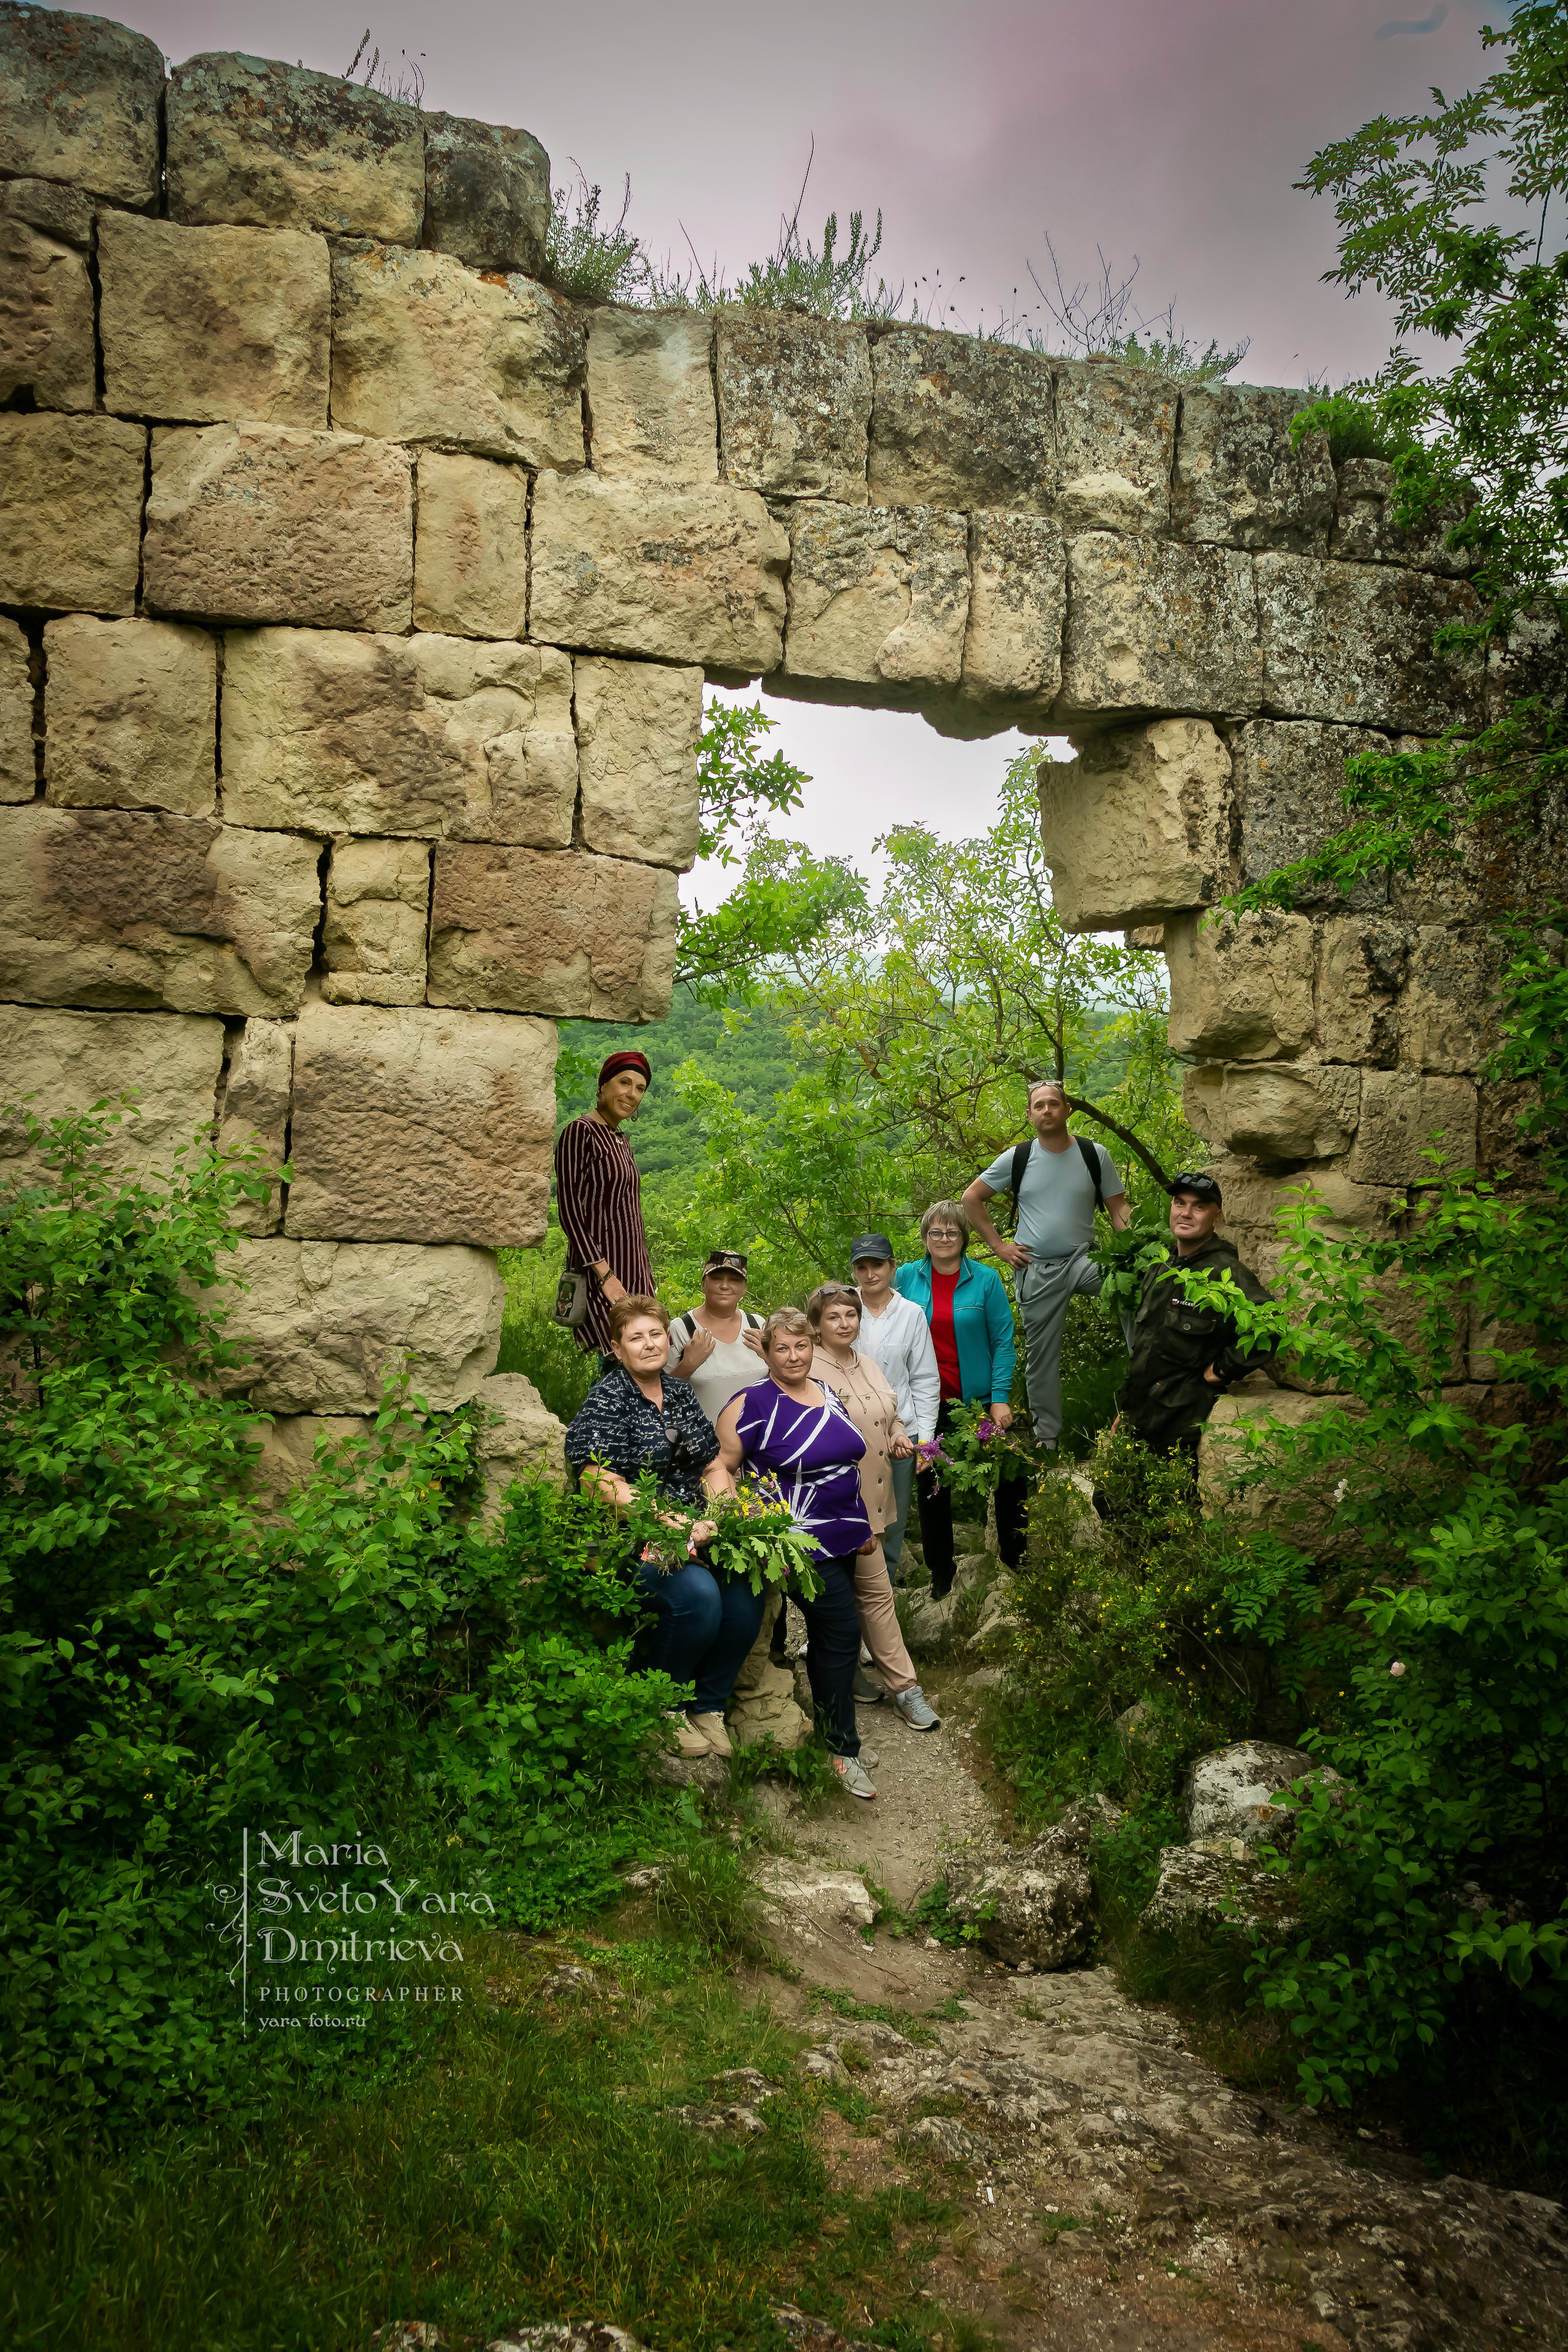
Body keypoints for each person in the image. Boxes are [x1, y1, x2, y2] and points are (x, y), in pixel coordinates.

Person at [564, 1294, 755, 1762]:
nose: (649, 1345)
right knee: (697, 1594)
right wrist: (668, 1521)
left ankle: (709, 1705)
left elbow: (712, 1462)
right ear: (616, 1347)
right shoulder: (609, 1397)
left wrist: (724, 1514)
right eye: (636, 1338)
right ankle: (664, 1707)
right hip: (631, 1537)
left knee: (746, 1588)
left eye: (655, 1334)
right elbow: (595, 1479)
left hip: (696, 1525)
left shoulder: (680, 1392)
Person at [714, 1310, 881, 1800]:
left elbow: (844, 1465)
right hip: (795, 1541)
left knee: (837, 1638)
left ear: (813, 1347)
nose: (794, 1357)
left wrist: (862, 1525)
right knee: (842, 1630)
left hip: (844, 1533)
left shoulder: (826, 1391)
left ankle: (838, 1730)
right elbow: (721, 1468)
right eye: (782, 1348)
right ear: (764, 1352)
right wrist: (745, 1529)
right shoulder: (750, 1405)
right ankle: (841, 1751)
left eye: (802, 1346)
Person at [962, 1080, 1132, 1452]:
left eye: (1054, 1104)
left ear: (1067, 1110)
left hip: (1086, 1260)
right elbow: (972, 1198)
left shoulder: (1093, 1154)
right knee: (1041, 1360)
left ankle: (1145, 1387)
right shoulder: (1018, 1157)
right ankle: (1047, 1441)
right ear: (1029, 1115)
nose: (1047, 1110)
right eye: (1039, 1106)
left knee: (1136, 1290)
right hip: (1037, 1267)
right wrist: (999, 1246)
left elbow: (1119, 1210)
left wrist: (1136, 1254)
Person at [807, 1283, 942, 1733]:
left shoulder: (866, 1363)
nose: (845, 1323)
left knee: (863, 1597)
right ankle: (905, 1688)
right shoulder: (811, 1367)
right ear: (816, 1326)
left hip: (877, 1500)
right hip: (838, 1506)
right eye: (834, 1317)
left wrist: (901, 1435)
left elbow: (891, 1413)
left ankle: (857, 1677)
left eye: (851, 1315)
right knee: (865, 1598)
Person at [894, 1202, 1026, 1596]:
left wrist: (1000, 1398)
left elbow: (1004, 1342)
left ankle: (1015, 1561)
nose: (944, 1239)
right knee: (933, 1483)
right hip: (928, 1404)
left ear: (965, 1238)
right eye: (936, 1232)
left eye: (952, 1232)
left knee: (1009, 1474)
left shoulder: (985, 1280)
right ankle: (941, 1573)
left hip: (979, 1401)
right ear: (925, 1238)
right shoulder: (905, 1278)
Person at [1117, 1170, 1278, 1466]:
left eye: (1199, 1207)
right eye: (1180, 1203)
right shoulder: (1161, 1267)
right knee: (1111, 1503)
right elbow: (1146, 1346)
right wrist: (1125, 1411)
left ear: (1216, 1215)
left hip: (1182, 1422)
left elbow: (1271, 1326)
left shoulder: (1225, 1272)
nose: (1186, 1213)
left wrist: (1221, 1370)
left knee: (1173, 1505)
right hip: (1141, 1415)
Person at [554, 1050, 657, 1371]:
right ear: (602, 1087)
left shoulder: (620, 1139)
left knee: (641, 1363)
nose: (632, 1094)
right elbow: (570, 1212)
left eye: (640, 1088)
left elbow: (627, 1214)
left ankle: (615, 1422)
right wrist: (606, 1275)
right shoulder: (580, 1132)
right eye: (624, 1083)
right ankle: (600, 1422)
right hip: (602, 1272)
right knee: (624, 1361)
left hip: (633, 1271)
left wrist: (646, 1275)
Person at [848, 1232, 940, 1582]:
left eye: (878, 1265)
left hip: (903, 1432)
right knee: (852, 1511)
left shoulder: (911, 1314)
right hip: (850, 1429)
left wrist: (926, 1441)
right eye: (862, 1267)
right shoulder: (843, 1309)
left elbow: (925, 1378)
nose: (871, 1273)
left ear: (893, 1267)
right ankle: (851, 1596)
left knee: (893, 1517)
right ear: (855, 1271)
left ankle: (884, 1598)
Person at [666, 1249, 771, 1427]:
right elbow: (661, 1393)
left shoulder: (757, 1324)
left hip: (759, 1444)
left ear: (744, 1288)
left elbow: (785, 1382)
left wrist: (771, 1358)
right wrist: (687, 1366)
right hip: (705, 1445)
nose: (725, 1286)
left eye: (734, 1280)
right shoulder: (682, 1328)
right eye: (716, 1278)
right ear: (703, 1285)